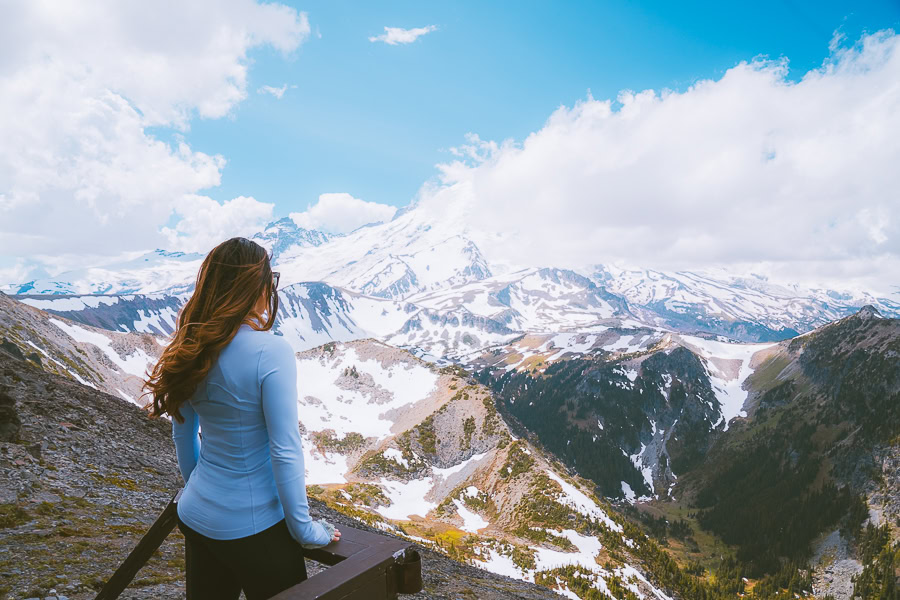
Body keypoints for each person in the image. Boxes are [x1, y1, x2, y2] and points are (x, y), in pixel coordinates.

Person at [143, 237, 339, 600]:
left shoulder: (191, 347)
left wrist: (204, 495)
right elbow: (285, 450)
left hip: (197, 516)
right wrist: (306, 530)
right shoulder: (271, 350)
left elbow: (184, 436)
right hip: (254, 528)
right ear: (257, 286)